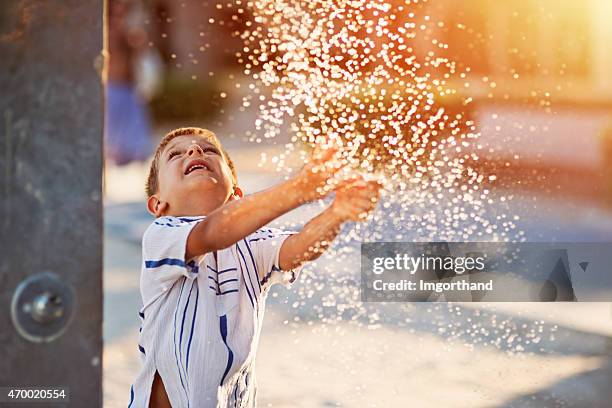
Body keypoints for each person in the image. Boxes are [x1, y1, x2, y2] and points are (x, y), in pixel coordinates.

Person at [128, 127, 381, 407]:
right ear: (158, 204)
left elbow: (298, 248)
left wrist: (336, 214)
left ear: (236, 194)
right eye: (176, 154)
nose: (195, 151)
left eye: (210, 150)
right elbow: (212, 232)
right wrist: (301, 188)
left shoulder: (252, 242)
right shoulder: (162, 235)